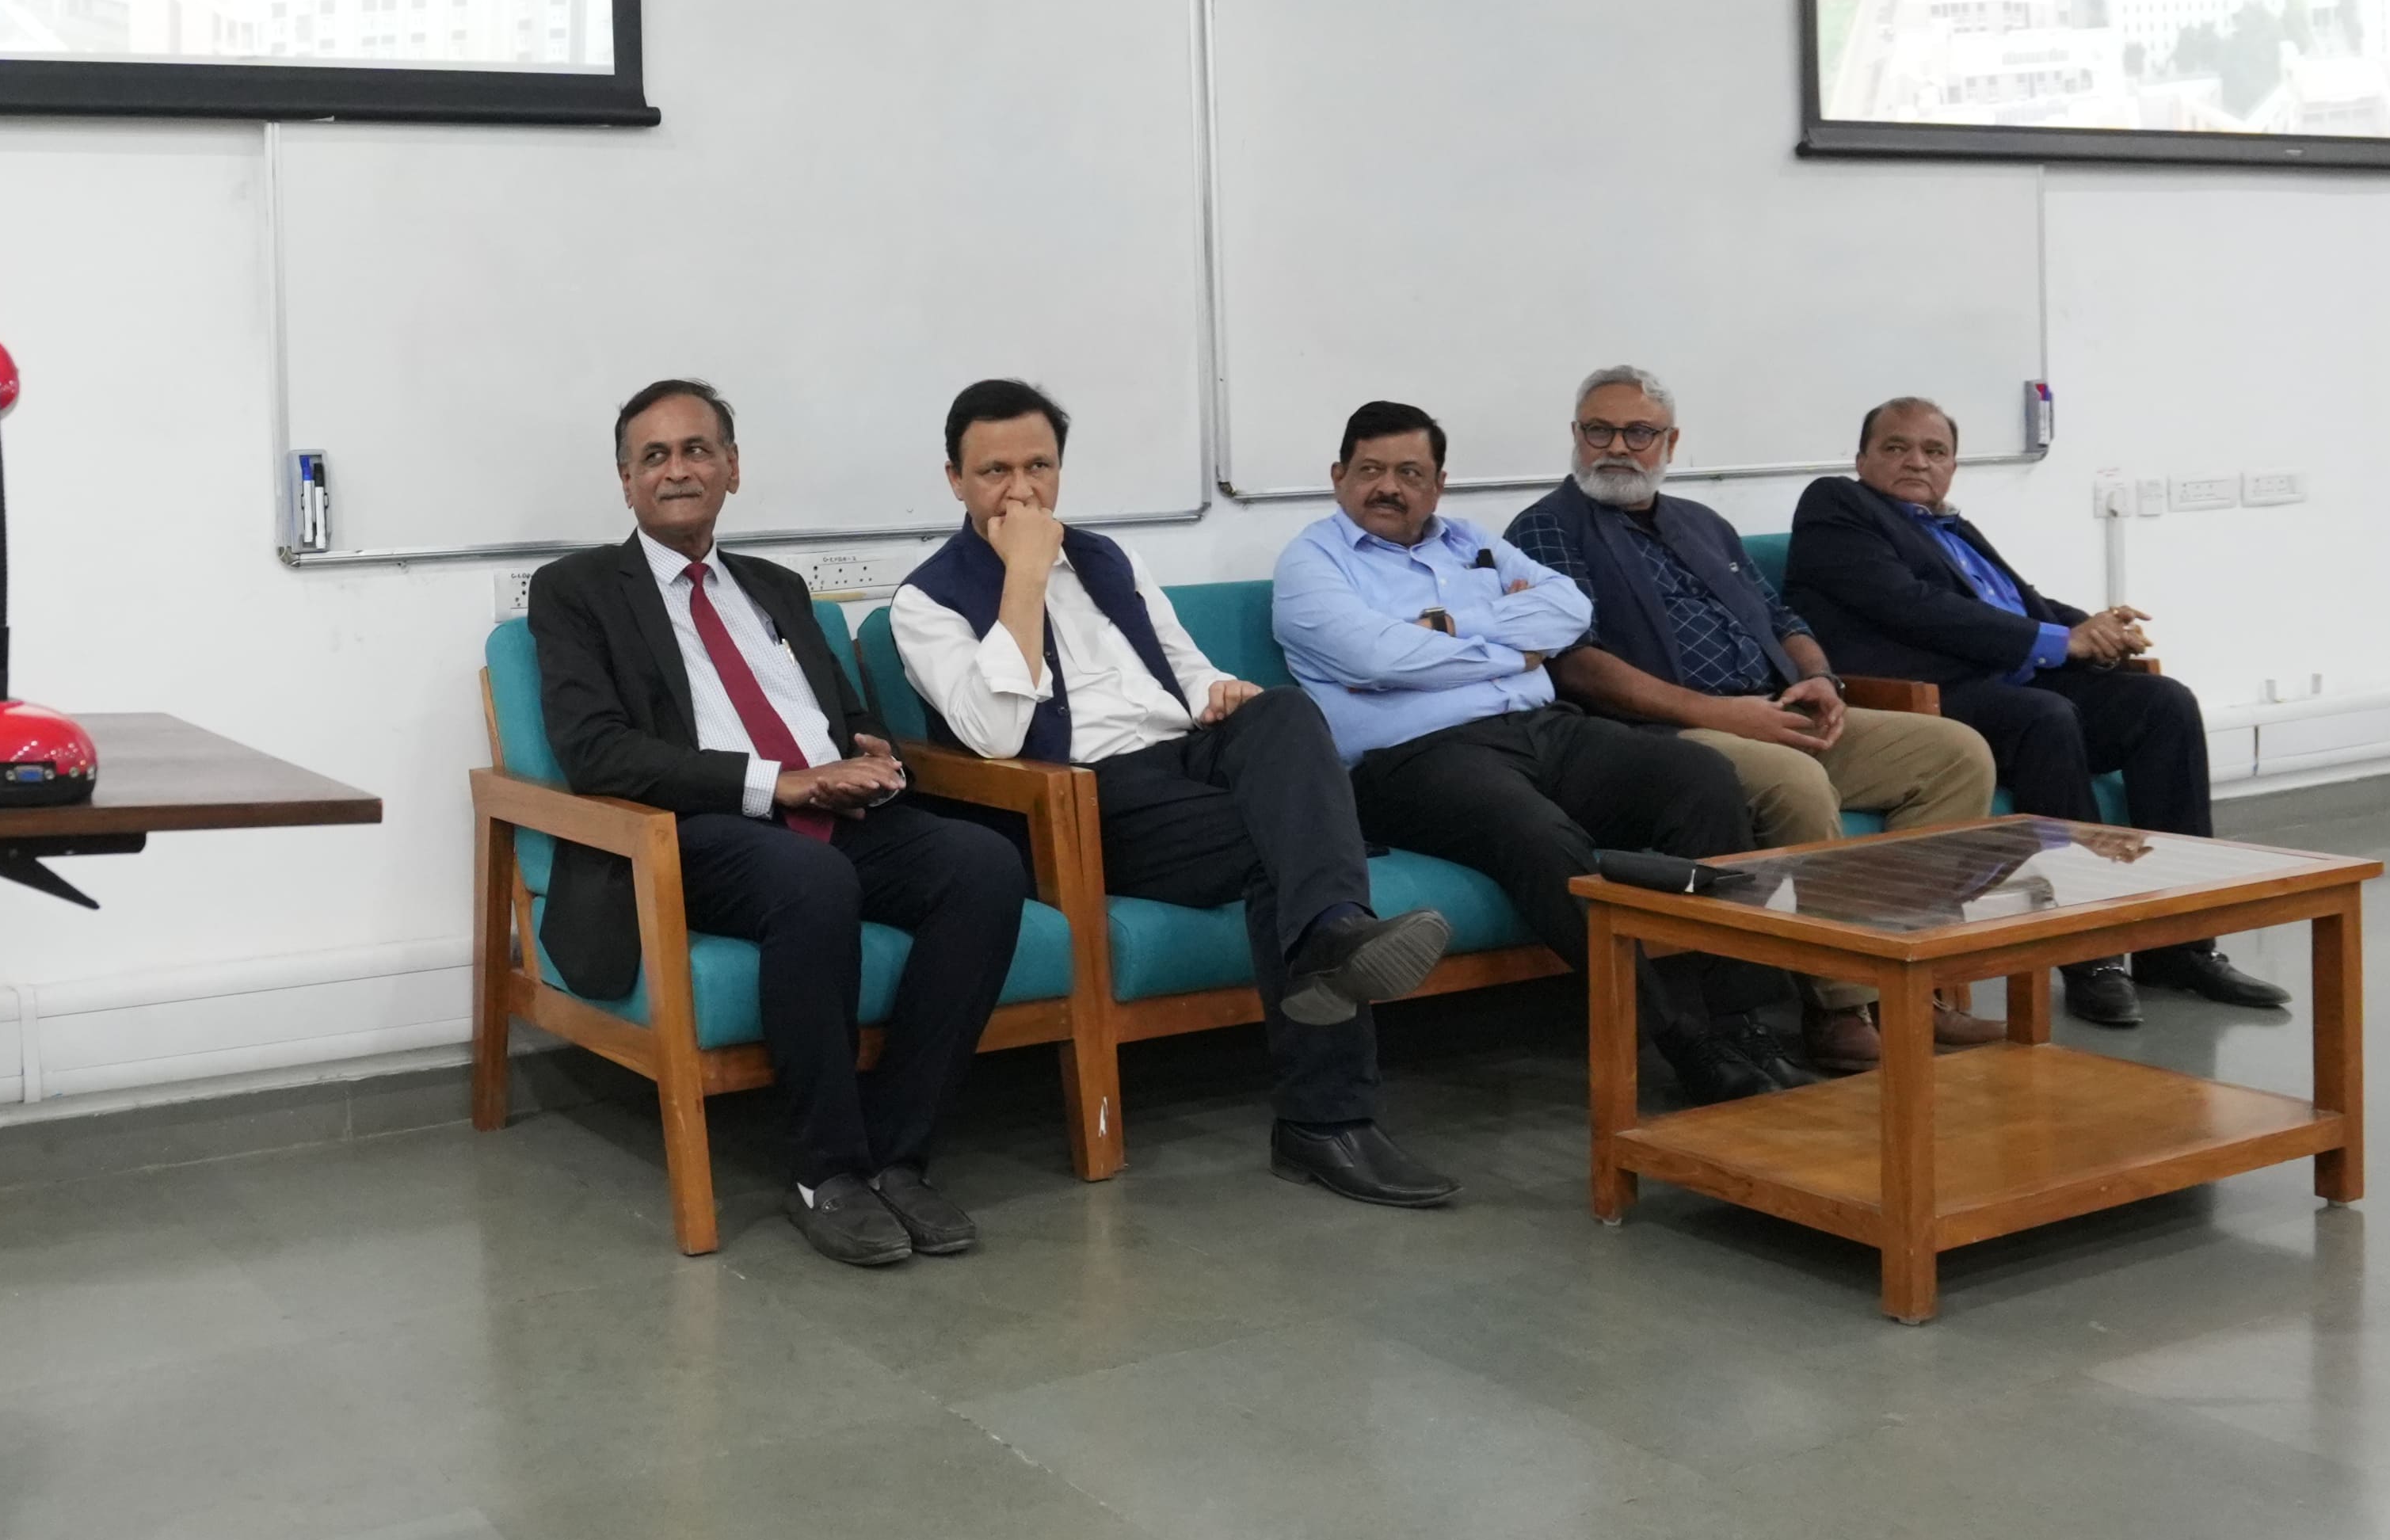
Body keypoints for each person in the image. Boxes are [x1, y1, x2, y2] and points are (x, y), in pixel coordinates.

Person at [892, 379, 1460, 1208]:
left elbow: (1185, 669)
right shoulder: (925, 600)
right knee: (1284, 851)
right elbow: (997, 734)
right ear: (954, 480)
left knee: (1283, 712)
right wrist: (1024, 575)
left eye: (1039, 467)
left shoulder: (1107, 558)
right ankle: (1326, 1116)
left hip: (1185, 756)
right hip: (1085, 796)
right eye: (994, 472)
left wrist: (1220, 693)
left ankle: (1332, 934)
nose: (1022, 491)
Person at [530, 381, 1031, 1267]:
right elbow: (596, 753)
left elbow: (842, 714)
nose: (677, 470)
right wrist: (780, 785)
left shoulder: (777, 587)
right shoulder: (577, 591)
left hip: (831, 812)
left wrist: (872, 759)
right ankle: (825, 1172)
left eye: (697, 450)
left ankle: (899, 1155)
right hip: (693, 828)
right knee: (812, 880)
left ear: (732, 468)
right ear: (625, 480)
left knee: (984, 865)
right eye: (655, 456)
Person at [1271, 401, 1804, 1104]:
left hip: (1543, 727)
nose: (1389, 488)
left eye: (1410, 472)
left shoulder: (1470, 541)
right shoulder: (1311, 562)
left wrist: (1443, 629)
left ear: (1438, 484)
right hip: (1415, 758)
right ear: (1339, 476)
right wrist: (1510, 650)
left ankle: (1739, 1022)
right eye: (1370, 471)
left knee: (1700, 777)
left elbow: (1570, 609)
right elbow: (1375, 657)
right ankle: (1678, 1039)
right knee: (1538, 833)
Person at [1505, 366, 2003, 1075]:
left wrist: (1819, 678)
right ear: (1576, 436)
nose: (1616, 446)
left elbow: (1781, 616)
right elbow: (1576, 663)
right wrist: (1725, 715)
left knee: (1955, 753)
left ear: (1670, 442)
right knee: (1796, 782)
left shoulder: (1702, 523)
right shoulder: (1546, 528)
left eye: (1638, 432)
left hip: (1774, 708)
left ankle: (1914, 982)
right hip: (1665, 734)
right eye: (1599, 430)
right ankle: (1841, 1007)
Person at [1785, 396, 2286, 1024]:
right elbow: (1913, 606)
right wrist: (2061, 642)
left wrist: (2093, 629)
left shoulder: (1951, 528)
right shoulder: (1838, 506)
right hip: (1925, 696)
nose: (1917, 462)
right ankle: (2089, 956)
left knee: (2165, 704)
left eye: (1935, 451)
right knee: (2046, 716)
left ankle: (2182, 945)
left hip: (2010, 682)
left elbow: (2021, 604)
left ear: (1953, 467)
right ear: (1861, 460)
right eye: (1896, 448)